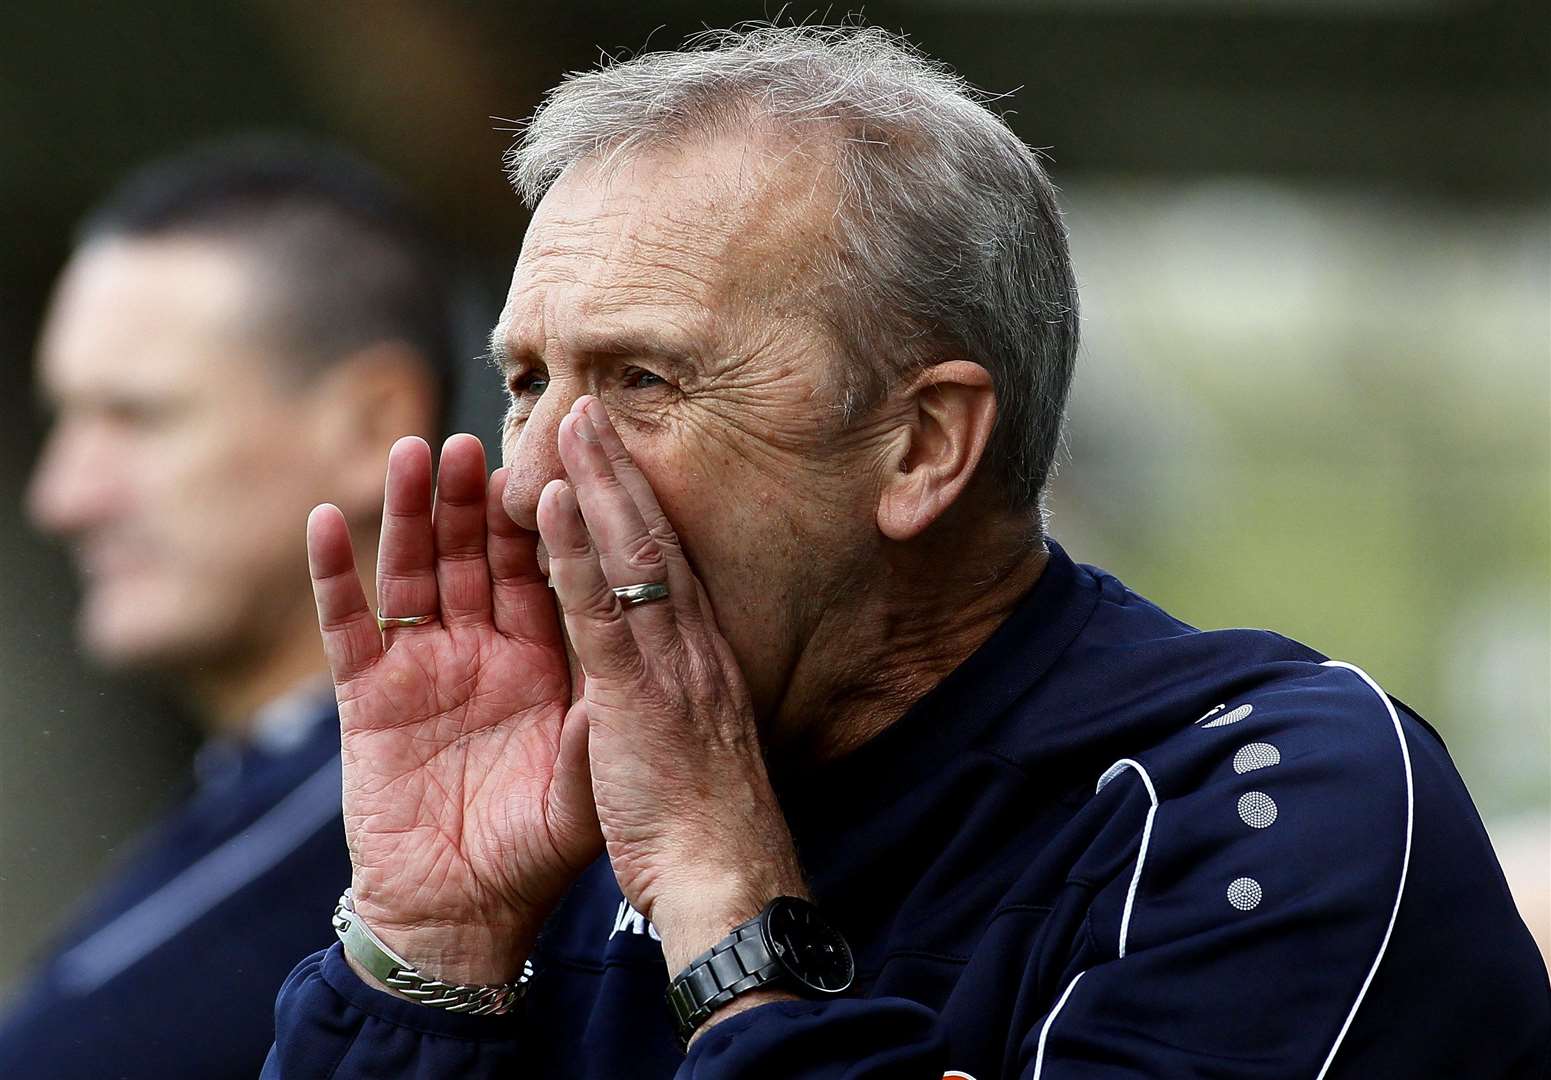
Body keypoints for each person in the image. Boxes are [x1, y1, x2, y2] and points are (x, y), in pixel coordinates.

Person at [264, 25, 1550, 1079]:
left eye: (643, 380)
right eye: (528, 381)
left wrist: (726, 906)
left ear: (924, 445)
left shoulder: (1270, 797)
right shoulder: (554, 834)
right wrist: (433, 946)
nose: (536, 472)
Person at [3, 138, 456, 1078]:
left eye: (137, 417)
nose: (62, 496)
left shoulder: (468, 845)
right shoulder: (262, 816)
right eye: (65, 421)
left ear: (371, 424)